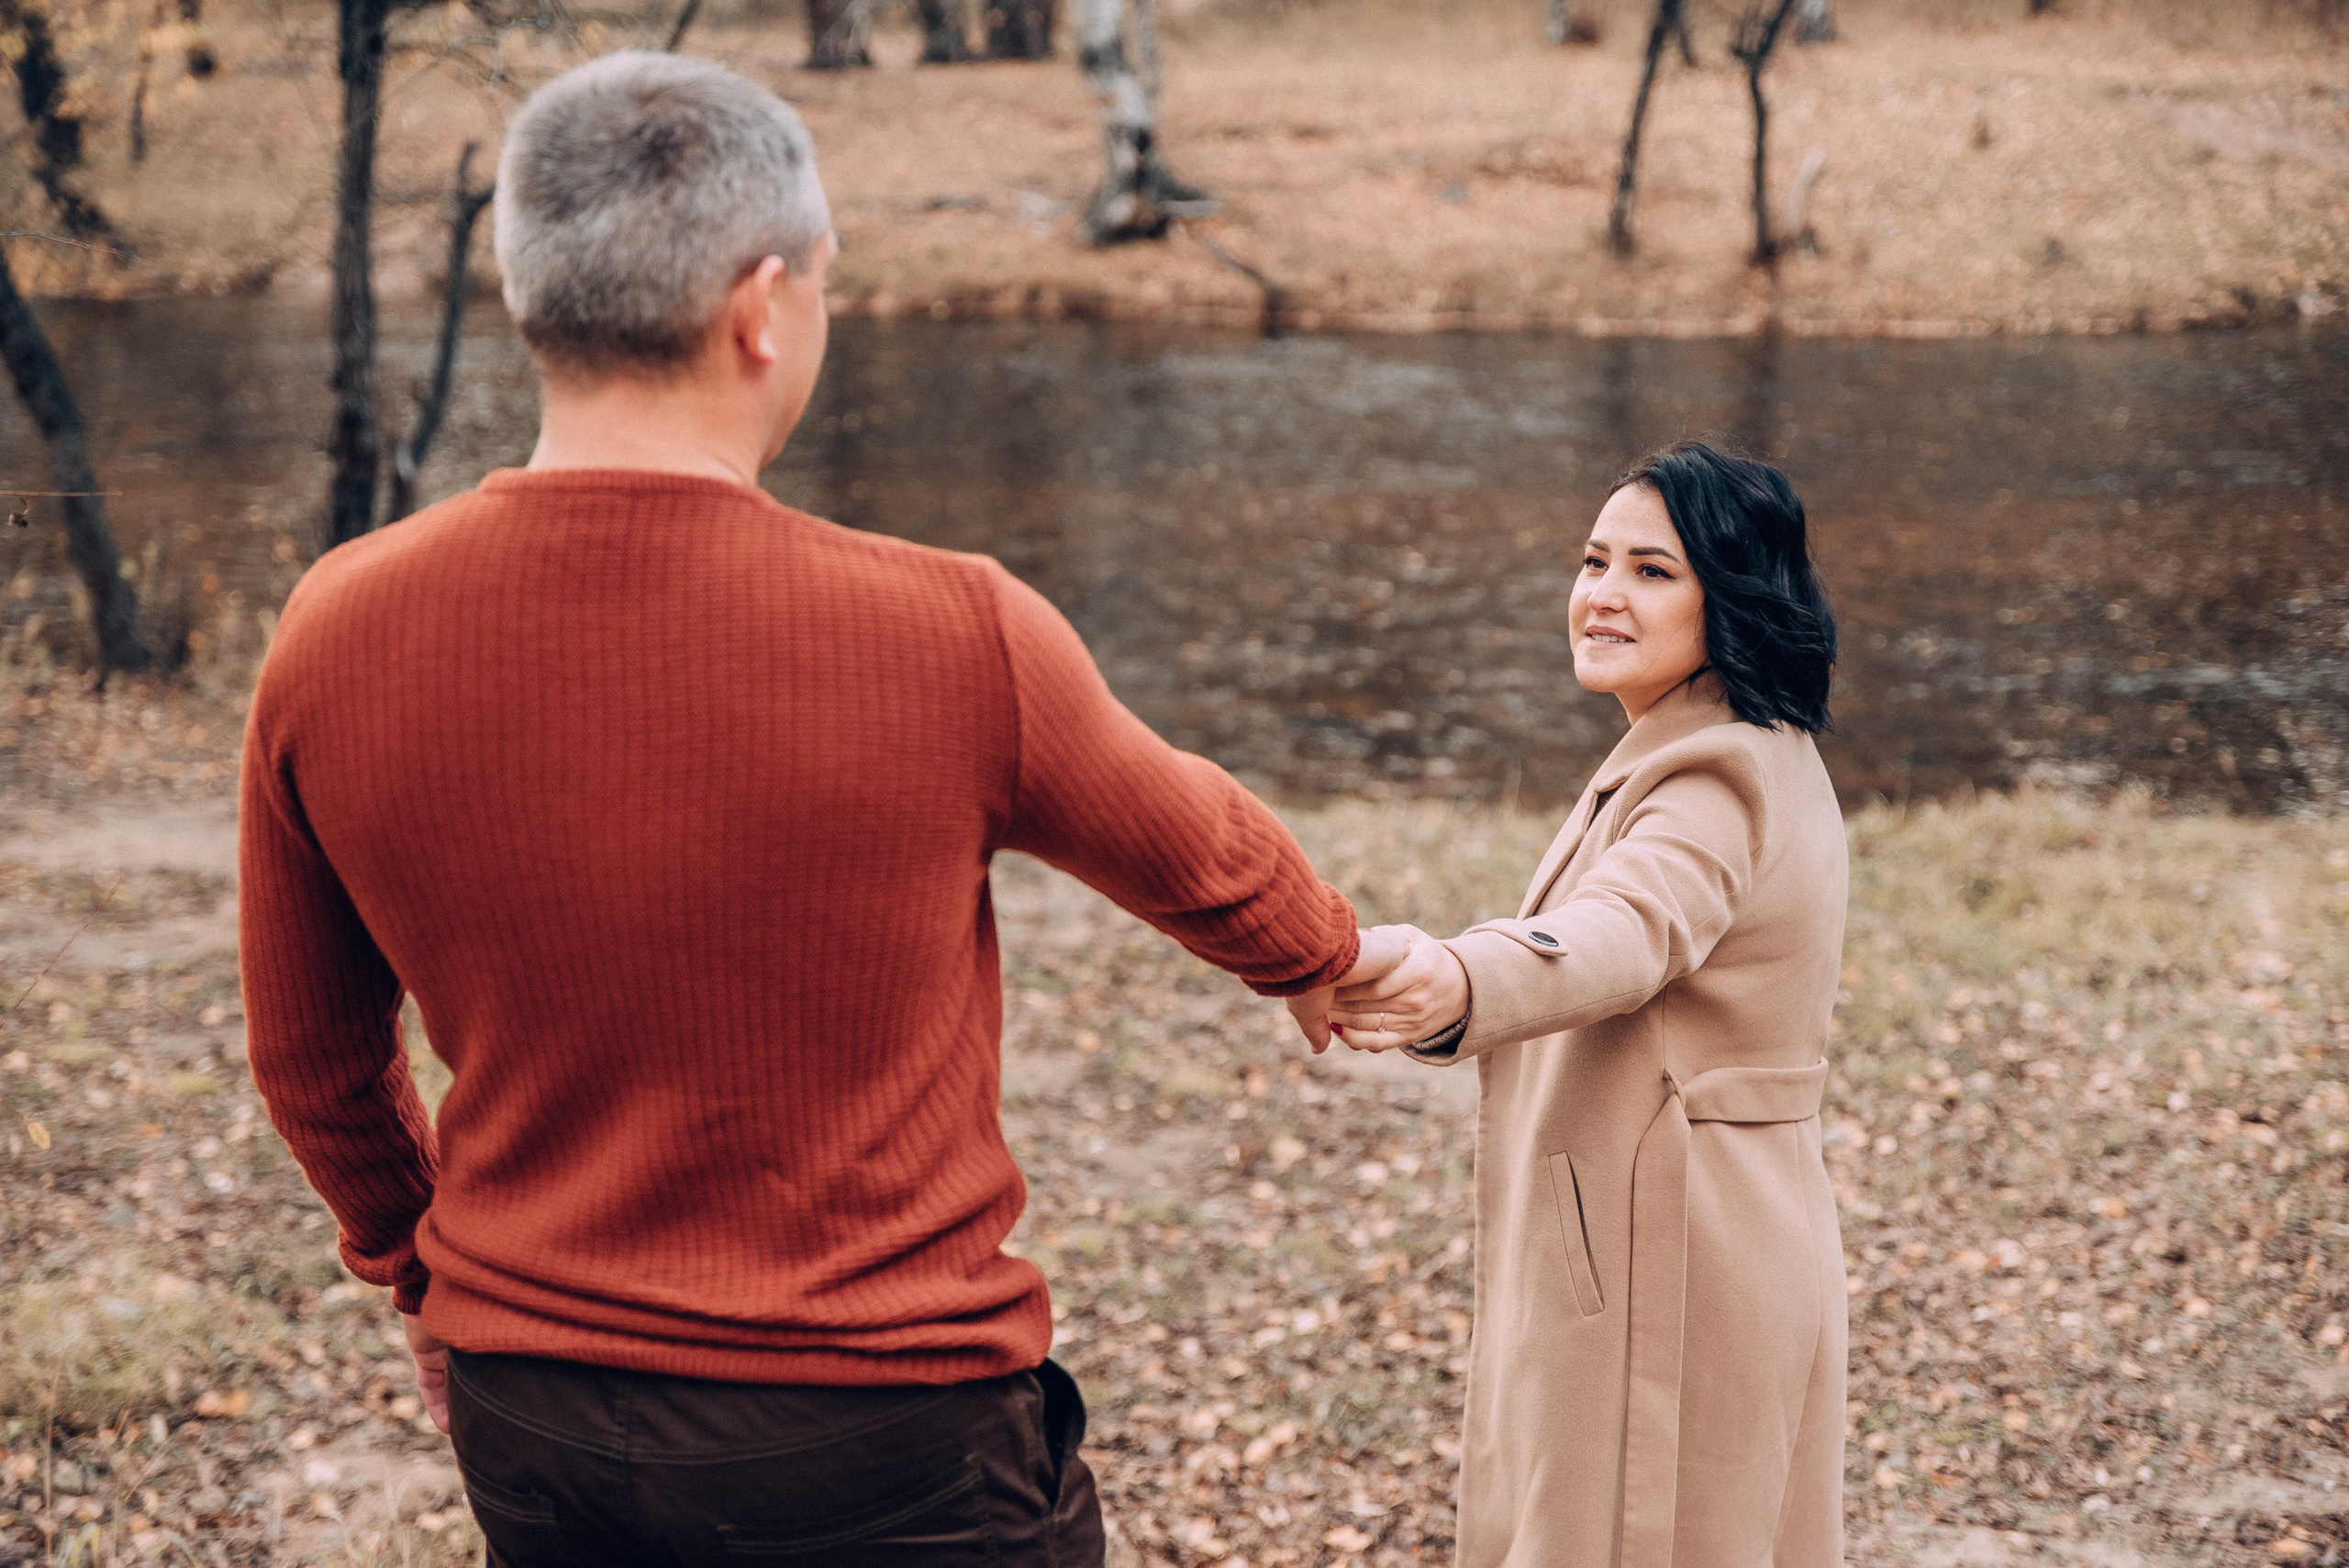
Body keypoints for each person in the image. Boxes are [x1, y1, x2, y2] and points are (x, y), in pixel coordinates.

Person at [238, 51, 1386, 1567]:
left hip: (543, 1419)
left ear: (532, 293)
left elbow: (314, 1063)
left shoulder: (333, 627)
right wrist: (1316, 950)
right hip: (886, 1427)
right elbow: (1200, 848)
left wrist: (424, 1277)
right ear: (763, 306)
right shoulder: (952, 629)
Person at [1328, 440, 1849, 1568]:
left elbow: (1626, 928)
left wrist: (1459, 977)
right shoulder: (1715, 743)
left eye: (1652, 570)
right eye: (1593, 559)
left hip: (1668, 1255)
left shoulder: (1717, 775)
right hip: (1704, 1226)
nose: (1603, 592)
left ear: (1733, 595)